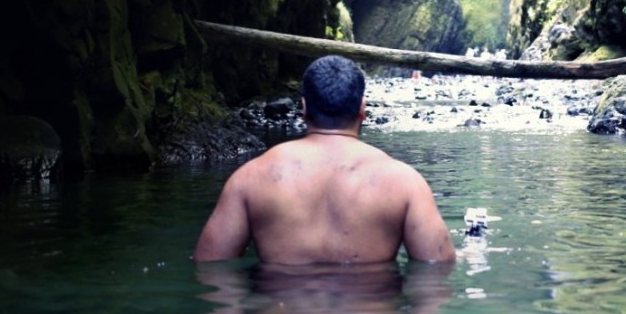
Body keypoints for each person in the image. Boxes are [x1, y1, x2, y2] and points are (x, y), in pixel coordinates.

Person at [193, 55, 456, 264]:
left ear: (304, 108)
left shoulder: (251, 177)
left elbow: (211, 267)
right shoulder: (404, 183)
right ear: (362, 108)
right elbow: (436, 269)